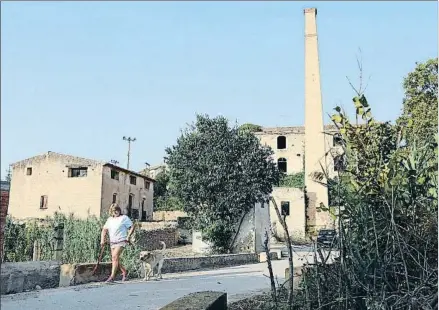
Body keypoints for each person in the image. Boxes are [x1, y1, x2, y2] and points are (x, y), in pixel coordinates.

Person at [100, 203, 135, 282]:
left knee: (115, 257)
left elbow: (132, 226)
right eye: (113, 211)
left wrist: (128, 236)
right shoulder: (110, 220)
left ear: (119, 210)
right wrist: (102, 240)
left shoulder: (124, 218)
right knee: (115, 258)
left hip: (121, 240)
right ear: (111, 212)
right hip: (113, 242)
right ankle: (124, 272)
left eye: (116, 210)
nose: (115, 212)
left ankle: (112, 277)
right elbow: (104, 230)